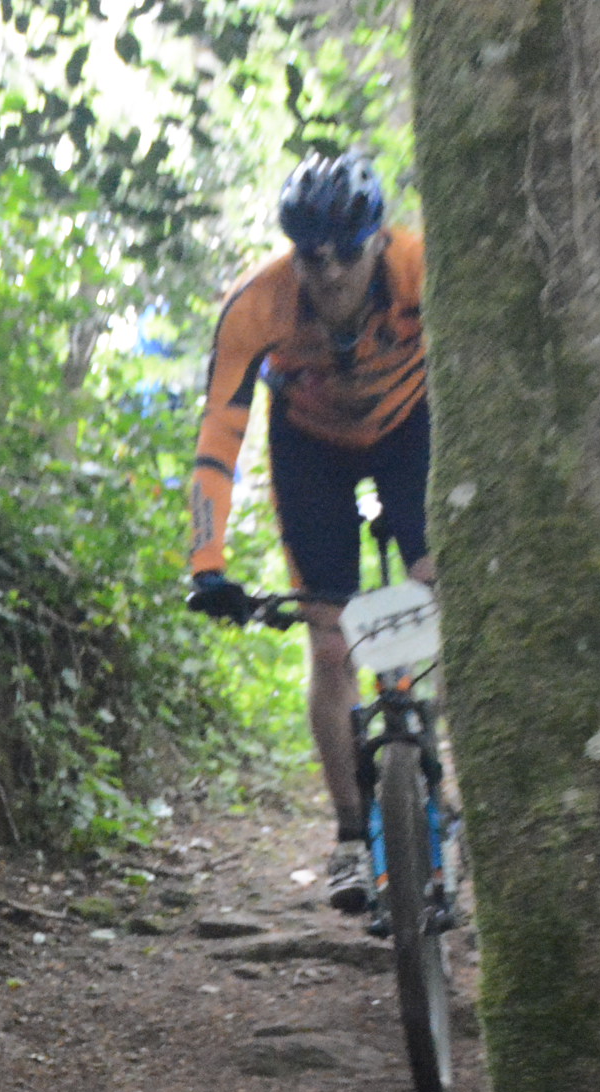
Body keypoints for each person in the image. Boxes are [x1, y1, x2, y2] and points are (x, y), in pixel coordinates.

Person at [181, 153, 438, 913]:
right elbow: (219, 437)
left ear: (378, 239)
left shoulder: (422, 268)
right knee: (329, 643)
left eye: (345, 253)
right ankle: (352, 835)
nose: (327, 272)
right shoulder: (257, 305)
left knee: (438, 589)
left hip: (412, 429)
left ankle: (441, 766)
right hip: (311, 449)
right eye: (309, 254)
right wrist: (207, 563)